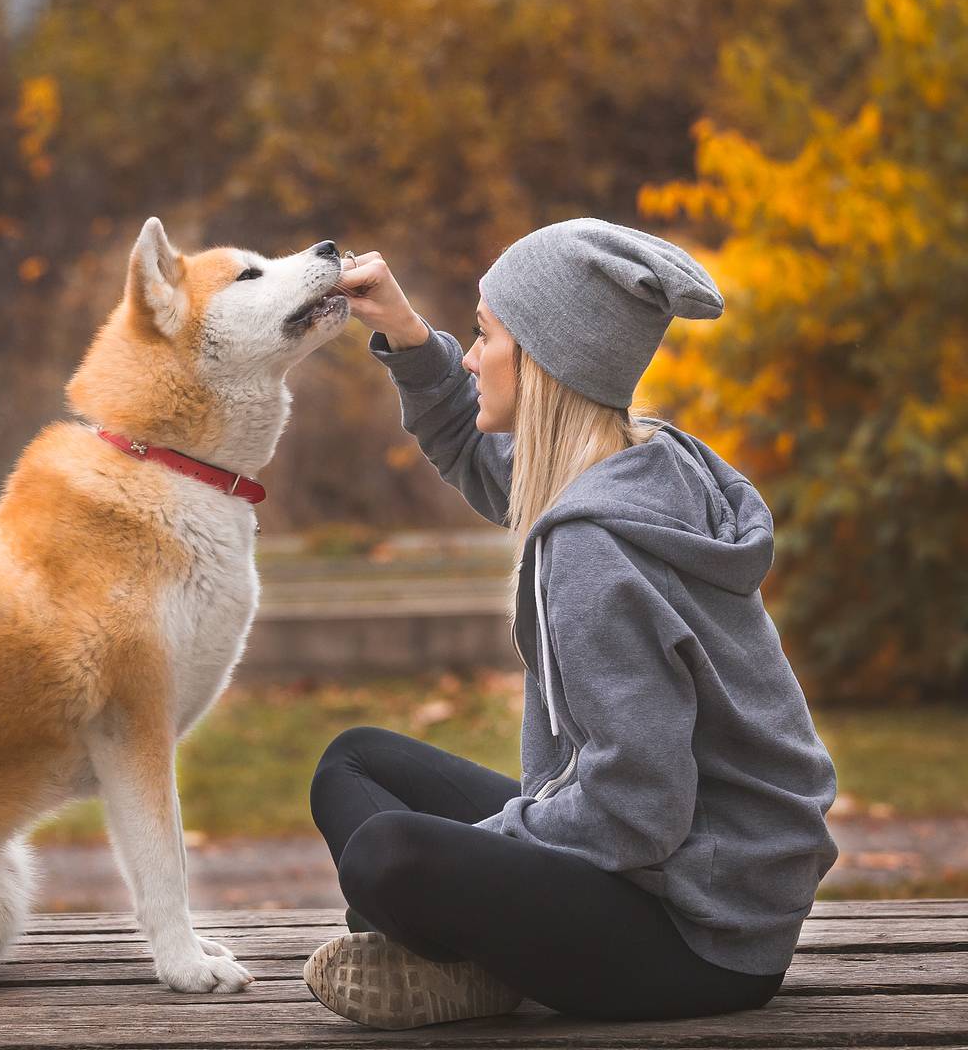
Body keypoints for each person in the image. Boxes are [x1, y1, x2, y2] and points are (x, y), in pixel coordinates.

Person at [302, 219, 840, 1031]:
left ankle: (472, 959)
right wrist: (408, 335)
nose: (473, 356)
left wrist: (478, 857)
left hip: (700, 936)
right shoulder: (644, 460)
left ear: (546, 362)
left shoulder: (593, 550)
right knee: (353, 763)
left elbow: (637, 810)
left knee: (388, 857)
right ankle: (474, 952)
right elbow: (480, 458)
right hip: (675, 875)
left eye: (485, 337)